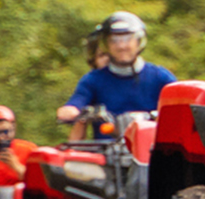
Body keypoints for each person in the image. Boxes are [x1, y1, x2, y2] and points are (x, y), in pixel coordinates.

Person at [59, 11, 176, 139]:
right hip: (108, 153)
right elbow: (77, 101)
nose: (121, 46)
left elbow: (182, 104)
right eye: (114, 40)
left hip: (154, 152)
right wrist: (70, 111)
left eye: (127, 39)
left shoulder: (160, 77)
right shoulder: (93, 80)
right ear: (106, 44)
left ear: (138, 41)